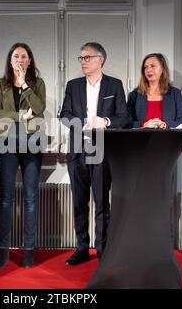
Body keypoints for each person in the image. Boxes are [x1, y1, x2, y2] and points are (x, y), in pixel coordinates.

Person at [59, 42, 128, 265]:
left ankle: (102, 249)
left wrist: (105, 121)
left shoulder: (114, 85)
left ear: (101, 59)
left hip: (102, 149)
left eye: (87, 57)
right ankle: (81, 247)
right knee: (79, 203)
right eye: (81, 58)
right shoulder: (73, 85)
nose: (83, 62)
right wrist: (84, 125)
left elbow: (124, 118)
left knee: (101, 202)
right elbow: (64, 115)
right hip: (78, 150)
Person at [0, 42, 46, 269]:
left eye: (24, 57)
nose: (20, 60)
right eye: (16, 56)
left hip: (32, 144)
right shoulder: (0, 84)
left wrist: (25, 85)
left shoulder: (37, 83)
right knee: (6, 199)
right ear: (10, 60)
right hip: (7, 144)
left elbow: (40, 108)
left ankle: (28, 251)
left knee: (31, 199)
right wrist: (21, 116)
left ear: (29, 61)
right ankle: (3, 252)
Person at [127, 53, 182, 129]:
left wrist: (166, 124)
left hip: (168, 138)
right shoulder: (134, 95)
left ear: (162, 69)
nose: (148, 70)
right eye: (145, 67)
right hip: (141, 138)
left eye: (153, 66)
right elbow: (127, 122)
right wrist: (144, 124)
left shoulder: (175, 94)